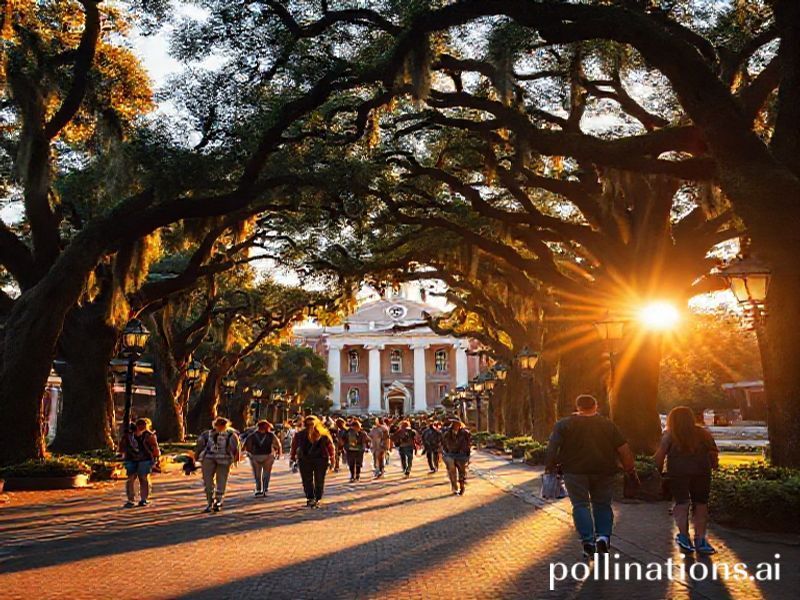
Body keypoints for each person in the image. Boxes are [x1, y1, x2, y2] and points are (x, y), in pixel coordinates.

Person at [545, 394, 637, 558]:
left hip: (574, 471)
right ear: (596, 406)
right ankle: (603, 536)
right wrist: (630, 469)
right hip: (604, 471)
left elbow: (553, 447)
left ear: (578, 407)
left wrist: (550, 467)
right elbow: (623, 449)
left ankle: (588, 541)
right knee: (602, 504)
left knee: (580, 505)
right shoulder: (608, 425)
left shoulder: (564, 425)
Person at [654, 406, 720, 555]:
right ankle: (700, 539)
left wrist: (656, 471)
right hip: (702, 472)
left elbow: (660, 455)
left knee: (682, 503)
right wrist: (714, 466)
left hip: (678, 473)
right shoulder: (703, 433)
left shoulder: (670, 435)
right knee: (701, 504)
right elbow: (713, 453)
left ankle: (684, 536)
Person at [194, 417, 241, 513]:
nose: (220, 427)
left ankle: (218, 501)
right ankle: (209, 502)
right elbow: (200, 445)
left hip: (224, 460)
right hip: (208, 459)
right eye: (218, 425)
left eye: (222, 425)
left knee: (221, 481)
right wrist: (196, 456)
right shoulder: (207, 434)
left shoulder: (231, 435)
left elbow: (236, 448)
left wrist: (236, 459)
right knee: (208, 482)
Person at [290, 415, 335, 507]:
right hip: (304, 459)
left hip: (321, 459)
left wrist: (332, 459)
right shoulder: (299, 435)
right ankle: (310, 498)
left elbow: (330, 447)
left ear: (317, 424)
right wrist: (292, 458)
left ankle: (317, 498)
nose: (310, 425)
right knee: (307, 480)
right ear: (305, 424)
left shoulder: (323, 435)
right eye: (308, 424)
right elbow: (294, 446)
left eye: (312, 423)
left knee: (319, 479)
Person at [120, 418, 161, 508]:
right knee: (131, 478)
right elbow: (122, 446)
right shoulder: (128, 435)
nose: (141, 428)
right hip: (131, 459)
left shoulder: (149, 435)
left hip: (145, 459)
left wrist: (156, 458)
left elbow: (155, 447)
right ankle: (131, 499)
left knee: (143, 478)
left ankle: (143, 499)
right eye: (140, 425)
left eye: (143, 425)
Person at [244, 420, 282, 497]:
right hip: (268, 456)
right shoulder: (271, 435)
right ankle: (265, 488)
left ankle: (258, 489)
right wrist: (278, 453)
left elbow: (247, 446)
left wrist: (250, 454)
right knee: (266, 473)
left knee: (257, 474)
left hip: (255, 456)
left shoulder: (252, 435)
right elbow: (278, 445)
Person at [441, 418, 471, 495]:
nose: (456, 425)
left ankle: (462, 486)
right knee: (452, 471)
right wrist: (446, 451)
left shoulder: (465, 433)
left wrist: (467, 453)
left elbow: (468, 444)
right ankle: (454, 487)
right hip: (451, 454)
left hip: (462, 455)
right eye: (454, 424)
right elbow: (444, 443)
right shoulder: (447, 433)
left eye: (457, 424)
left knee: (462, 471)